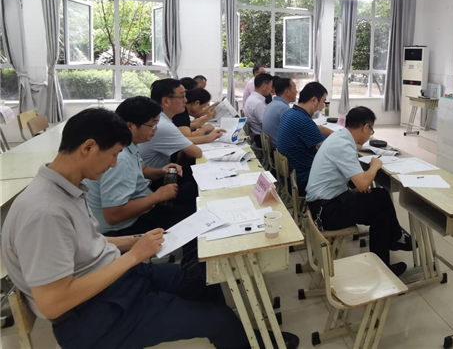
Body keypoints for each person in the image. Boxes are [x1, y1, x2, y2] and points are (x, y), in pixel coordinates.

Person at [1, 108, 300, 349]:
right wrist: (134, 256)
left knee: (205, 279)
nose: (114, 164)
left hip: (117, 280)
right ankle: (238, 337)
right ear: (88, 147)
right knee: (216, 317)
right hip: (94, 315)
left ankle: (238, 337)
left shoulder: (68, 188)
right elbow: (53, 304)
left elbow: (86, 243)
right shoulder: (45, 213)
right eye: (113, 154)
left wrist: (136, 241)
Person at [305, 107, 411, 277]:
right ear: (366, 127)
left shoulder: (339, 137)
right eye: (371, 131)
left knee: (380, 206)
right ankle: (395, 239)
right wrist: (375, 166)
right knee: (381, 199)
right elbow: (362, 183)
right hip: (326, 212)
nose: (370, 135)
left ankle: (385, 259)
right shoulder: (343, 145)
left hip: (323, 204)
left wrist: (351, 190)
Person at [85, 97, 197, 237]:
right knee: (195, 218)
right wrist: (157, 196)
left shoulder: (127, 145)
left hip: (141, 208)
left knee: (193, 194)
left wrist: (161, 171)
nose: (155, 130)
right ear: (130, 126)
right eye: (152, 125)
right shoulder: (120, 159)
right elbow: (113, 215)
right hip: (125, 227)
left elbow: (141, 169)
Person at [277, 82, 333, 192]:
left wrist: (336, 134)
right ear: (314, 100)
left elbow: (317, 128)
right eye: (323, 101)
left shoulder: (290, 113)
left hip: (289, 175)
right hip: (302, 177)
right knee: (341, 168)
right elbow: (328, 148)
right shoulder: (303, 121)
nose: (323, 106)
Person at [139, 79, 203, 169]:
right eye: (182, 96)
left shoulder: (160, 118)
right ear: (166, 101)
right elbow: (197, 153)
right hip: (152, 176)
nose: (185, 100)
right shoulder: (163, 125)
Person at [262, 77, 297, 147]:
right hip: (280, 148)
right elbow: (296, 131)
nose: (297, 91)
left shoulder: (272, 104)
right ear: (287, 92)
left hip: (273, 146)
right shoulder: (283, 108)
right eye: (295, 88)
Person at [244, 73, 273, 147]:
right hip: (262, 139)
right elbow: (267, 125)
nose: (271, 89)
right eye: (270, 86)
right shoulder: (258, 103)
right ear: (264, 86)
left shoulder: (252, 98)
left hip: (258, 136)